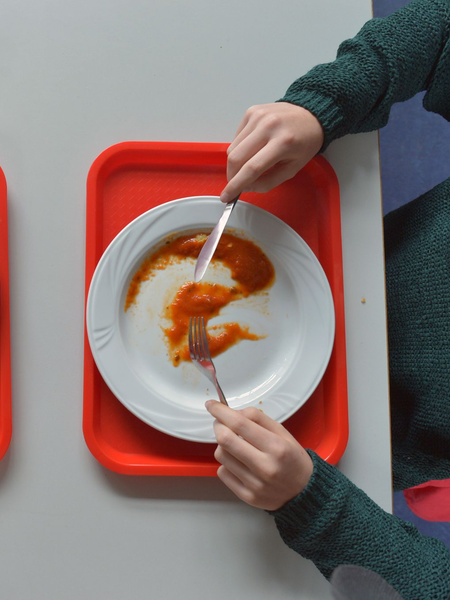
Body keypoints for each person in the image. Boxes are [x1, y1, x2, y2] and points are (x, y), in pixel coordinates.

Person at [206, 0, 450, 598]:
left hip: (354, 438)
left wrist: (313, 505)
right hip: (340, 254)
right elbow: (441, 30)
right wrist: (323, 106)